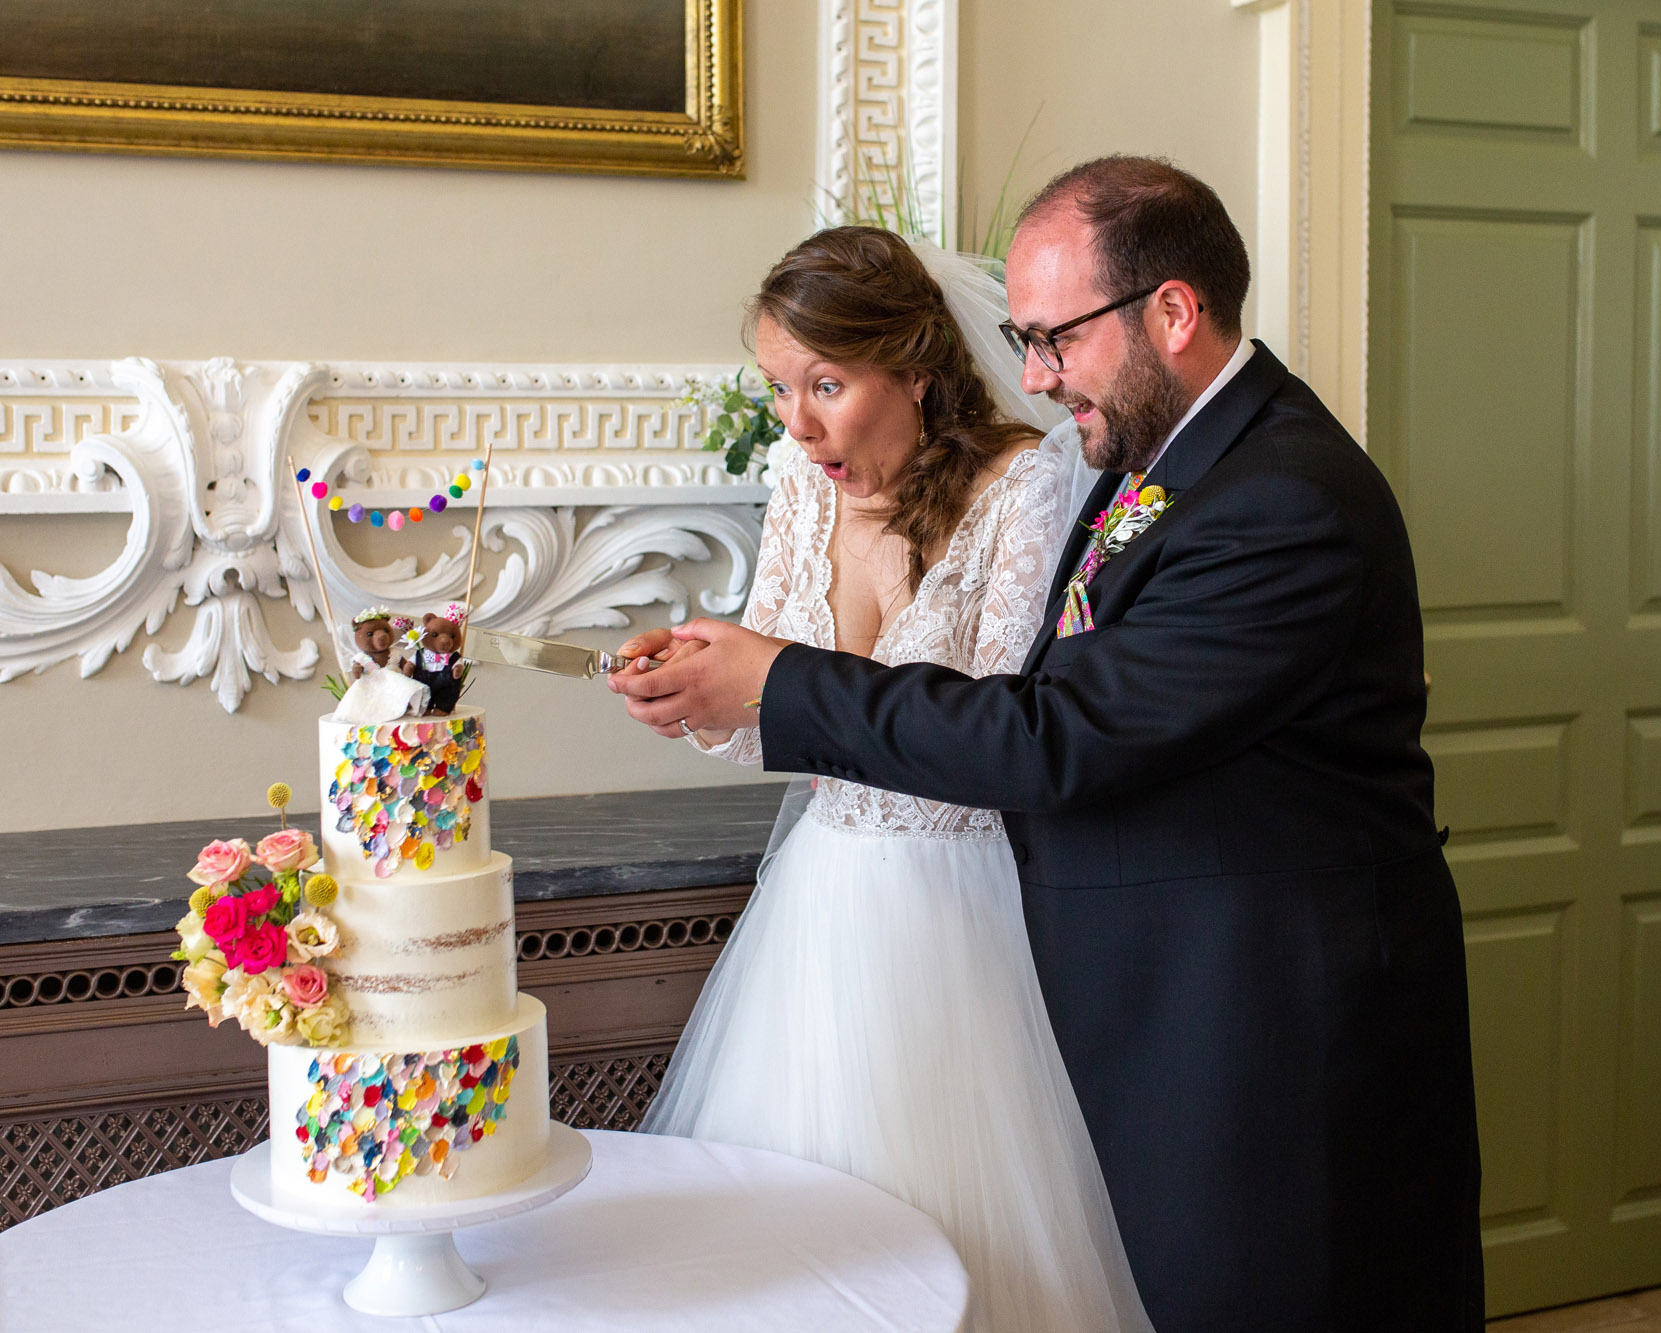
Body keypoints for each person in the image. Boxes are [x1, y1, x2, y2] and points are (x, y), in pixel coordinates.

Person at [614, 157, 1484, 1331]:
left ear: (1170, 312)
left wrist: (780, 679)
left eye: (1055, 339)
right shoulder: (1179, 464)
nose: (1029, 375)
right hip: (1171, 1000)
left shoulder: (1283, 501)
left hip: (1271, 1030)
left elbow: (1057, 731)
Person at [636, 224, 1153, 1333]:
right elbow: (765, 725)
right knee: (802, 1253)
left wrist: (771, 686)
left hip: (968, 918)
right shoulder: (798, 480)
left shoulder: (1025, 484)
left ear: (914, 368)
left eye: (825, 383)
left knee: (976, 1239)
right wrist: (696, 695)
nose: (796, 421)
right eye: (780, 387)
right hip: (818, 914)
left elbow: (1003, 739)